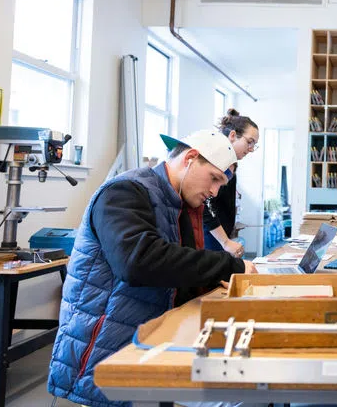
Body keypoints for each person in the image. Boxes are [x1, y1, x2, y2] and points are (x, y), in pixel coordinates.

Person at [48, 129, 256, 407]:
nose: (214, 192)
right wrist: (229, 267)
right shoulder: (124, 191)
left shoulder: (177, 202)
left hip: (145, 338)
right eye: (215, 179)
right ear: (190, 158)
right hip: (103, 347)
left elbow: (177, 268)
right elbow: (138, 262)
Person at [203, 109, 260, 257]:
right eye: (249, 142)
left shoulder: (230, 163)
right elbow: (207, 207)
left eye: (254, 144)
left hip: (220, 237)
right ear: (233, 135)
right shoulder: (217, 162)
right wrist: (225, 242)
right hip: (210, 239)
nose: (251, 149)